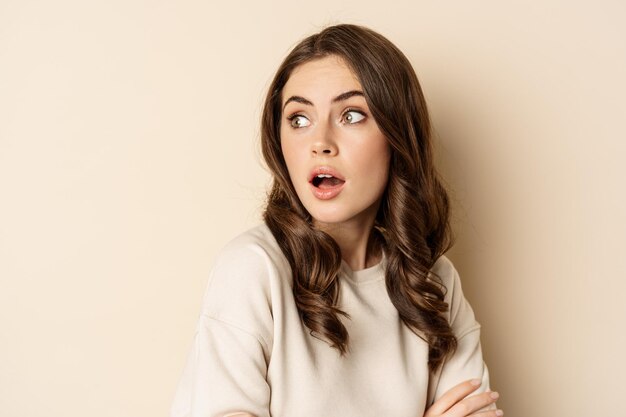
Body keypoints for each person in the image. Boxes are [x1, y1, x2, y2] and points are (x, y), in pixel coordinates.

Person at [170, 24, 502, 417]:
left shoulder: (433, 281)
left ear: (397, 135)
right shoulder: (254, 269)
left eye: (351, 114)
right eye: (298, 119)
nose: (320, 141)